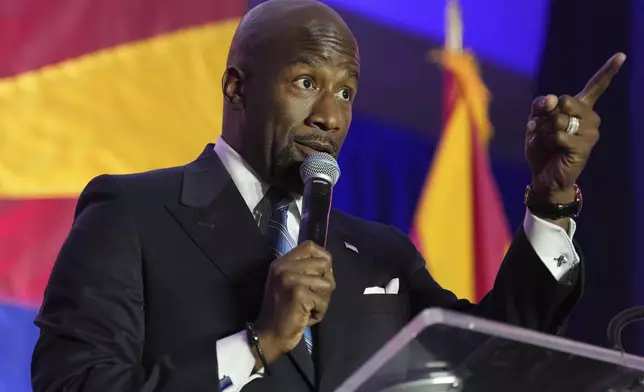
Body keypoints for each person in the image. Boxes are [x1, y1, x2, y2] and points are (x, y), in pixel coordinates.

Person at [30, 0, 626, 391]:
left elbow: (491, 356)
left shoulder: (380, 253)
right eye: (307, 82)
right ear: (237, 88)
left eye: (346, 92)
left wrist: (551, 200)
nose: (329, 115)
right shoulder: (132, 214)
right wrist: (258, 344)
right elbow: (74, 385)